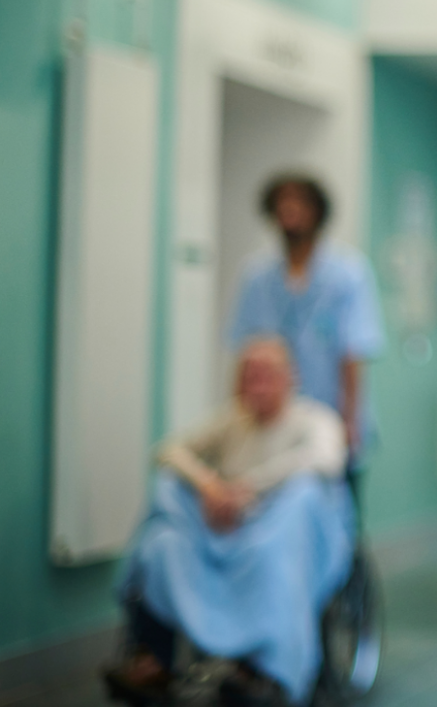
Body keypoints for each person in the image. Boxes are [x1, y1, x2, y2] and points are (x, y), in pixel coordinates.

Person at [108, 337, 355, 707]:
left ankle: (267, 668)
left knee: (299, 502)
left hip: (279, 536)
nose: (256, 383)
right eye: (248, 374)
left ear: (290, 377)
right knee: (163, 527)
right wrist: (209, 486)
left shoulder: (315, 420)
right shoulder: (231, 422)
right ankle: (153, 658)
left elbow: (326, 460)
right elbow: (169, 451)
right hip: (223, 533)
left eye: (266, 374)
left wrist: (249, 489)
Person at [230, 174, 384, 459]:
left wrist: (349, 423)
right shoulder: (256, 277)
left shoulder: (348, 274)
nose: (290, 210)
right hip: (270, 423)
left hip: (331, 415)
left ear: (318, 212)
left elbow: (353, 354)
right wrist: (238, 421)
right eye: (282, 203)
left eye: (300, 202)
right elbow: (245, 353)